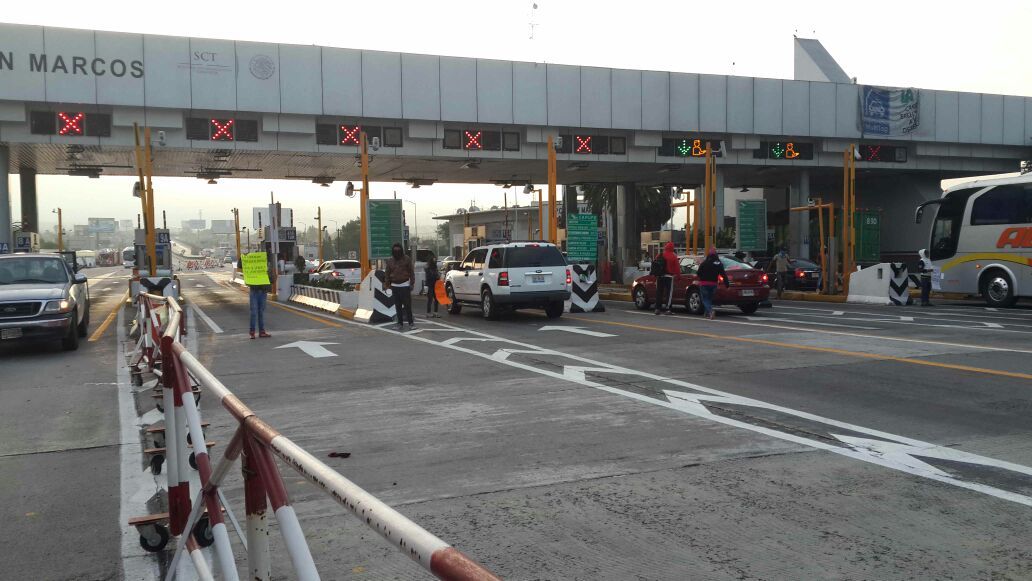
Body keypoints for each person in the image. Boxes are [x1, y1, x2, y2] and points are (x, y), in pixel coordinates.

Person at [385, 243, 415, 329]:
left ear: (401, 250)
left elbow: (411, 272)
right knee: (397, 306)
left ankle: (411, 323)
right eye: (395, 250)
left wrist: (412, 283)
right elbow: (387, 273)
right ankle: (400, 324)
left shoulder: (406, 259)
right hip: (394, 286)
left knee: (407, 305)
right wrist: (387, 284)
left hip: (405, 285)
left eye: (398, 250)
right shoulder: (390, 260)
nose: (397, 252)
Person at [245, 253, 273, 340]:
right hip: (254, 291)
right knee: (254, 312)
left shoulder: (267, 267)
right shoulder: (252, 267)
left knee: (261, 312)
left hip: (263, 291)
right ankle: (252, 332)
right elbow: (240, 265)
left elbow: (272, 278)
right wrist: (244, 257)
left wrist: (270, 278)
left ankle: (262, 332)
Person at [696, 247, 730, 319]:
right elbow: (723, 274)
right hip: (714, 284)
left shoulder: (704, 263)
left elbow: (698, 273)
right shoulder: (719, 263)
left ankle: (710, 311)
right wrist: (727, 284)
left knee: (705, 299)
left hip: (704, 284)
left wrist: (701, 278)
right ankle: (707, 313)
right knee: (709, 299)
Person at [653, 241, 680, 315]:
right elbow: (677, 268)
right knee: (669, 293)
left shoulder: (660, 255)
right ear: (672, 248)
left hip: (660, 276)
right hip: (669, 277)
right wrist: (678, 276)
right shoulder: (673, 256)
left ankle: (657, 309)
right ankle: (668, 309)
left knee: (659, 292)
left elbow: (655, 264)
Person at [424, 254, 441, 318]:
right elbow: (429, 276)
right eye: (434, 260)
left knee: (436, 299)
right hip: (430, 285)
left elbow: (436, 275)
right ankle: (428, 312)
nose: (435, 261)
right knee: (430, 299)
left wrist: (438, 276)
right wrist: (436, 276)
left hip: (435, 284)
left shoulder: (435, 267)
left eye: (435, 260)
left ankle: (435, 312)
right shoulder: (428, 268)